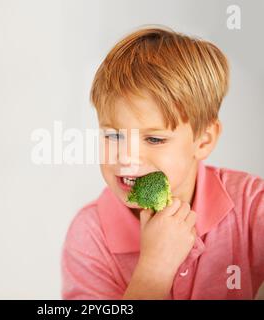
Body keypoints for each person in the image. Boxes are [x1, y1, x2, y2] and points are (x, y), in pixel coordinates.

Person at [61, 26, 264, 299]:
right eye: (113, 135)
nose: (126, 157)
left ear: (203, 140)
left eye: (154, 139)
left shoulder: (250, 205)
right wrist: (154, 270)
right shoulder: (89, 236)